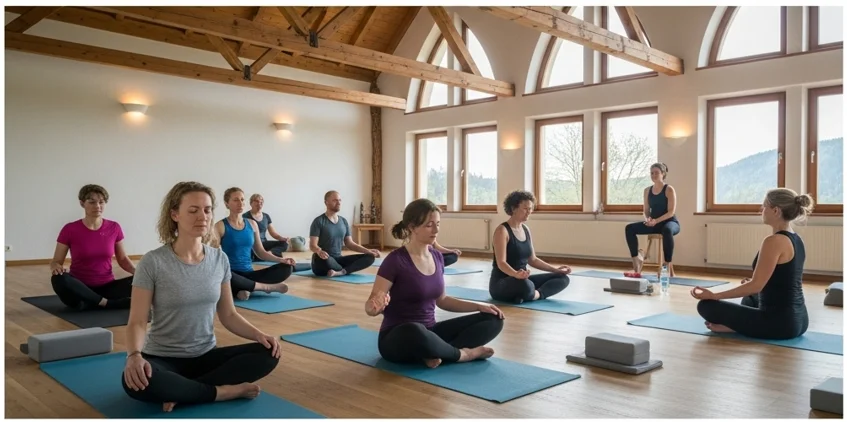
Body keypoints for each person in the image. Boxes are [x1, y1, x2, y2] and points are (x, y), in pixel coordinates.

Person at [122, 181, 280, 412]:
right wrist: (134, 355)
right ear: (175, 214)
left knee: (269, 353)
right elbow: (137, 320)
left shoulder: (219, 259)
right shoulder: (153, 262)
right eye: (193, 210)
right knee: (135, 382)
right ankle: (224, 392)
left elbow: (228, 314)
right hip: (163, 359)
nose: (203, 217)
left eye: (207, 210)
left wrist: (260, 335)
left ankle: (186, 392)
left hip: (206, 357)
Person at [365, 198, 505, 369]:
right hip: (399, 338)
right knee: (414, 329)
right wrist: (374, 307)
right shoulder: (395, 260)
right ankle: (462, 355)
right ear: (411, 227)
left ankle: (434, 353)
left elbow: (443, 300)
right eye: (429, 225)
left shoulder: (437, 257)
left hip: (431, 333)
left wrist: (478, 306)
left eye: (438, 224)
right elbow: (372, 304)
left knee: (494, 319)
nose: (436, 230)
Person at [692, 188, 813, 340]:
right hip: (800, 320)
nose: (761, 209)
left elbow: (756, 286)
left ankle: (734, 327)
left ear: (775, 211)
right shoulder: (796, 239)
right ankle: (737, 326)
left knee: (706, 306)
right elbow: (783, 279)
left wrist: (714, 295)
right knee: (750, 299)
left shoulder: (773, 241)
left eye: (765, 206)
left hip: (780, 324)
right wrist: (752, 285)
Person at [49, 184, 135, 310]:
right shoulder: (70, 229)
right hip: (79, 288)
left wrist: (139, 274)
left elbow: (122, 259)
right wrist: (56, 267)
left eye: (101, 202)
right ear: (82, 203)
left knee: (145, 280)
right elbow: (56, 262)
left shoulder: (114, 227)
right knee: (58, 279)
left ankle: (93, 302)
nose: (98, 206)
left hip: (107, 288)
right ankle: (107, 304)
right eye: (92, 202)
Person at [214, 188, 297, 300]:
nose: (240, 203)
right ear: (226, 203)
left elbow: (261, 253)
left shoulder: (252, 224)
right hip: (231, 274)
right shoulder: (220, 226)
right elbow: (213, 255)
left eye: (242, 199)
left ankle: (245, 288)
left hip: (250, 274)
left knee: (286, 268)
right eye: (236, 200)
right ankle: (265, 288)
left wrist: (281, 260)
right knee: (224, 275)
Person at [490, 190, 571, 304]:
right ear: (513, 208)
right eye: (525, 209)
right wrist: (515, 274)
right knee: (526, 285)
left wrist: (556, 270)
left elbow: (532, 259)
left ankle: (534, 295)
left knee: (562, 278)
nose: (529, 212)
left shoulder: (526, 229)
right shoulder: (502, 231)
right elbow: (501, 263)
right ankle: (530, 293)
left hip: (522, 279)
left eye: (530, 209)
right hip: (502, 283)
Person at [624, 163, 680, 276]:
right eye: (651, 173)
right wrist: (648, 219)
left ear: (663, 174)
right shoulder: (647, 191)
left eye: (656, 173)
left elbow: (671, 212)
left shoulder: (669, 189)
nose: (653, 175)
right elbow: (646, 210)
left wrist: (656, 221)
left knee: (667, 230)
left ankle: (667, 264)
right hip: (654, 223)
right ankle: (636, 259)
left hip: (670, 222)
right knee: (629, 228)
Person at [309, 190, 379, 277]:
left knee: (370, 257)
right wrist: (319, 251)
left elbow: (350, 244)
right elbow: (312, 245)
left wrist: (368, 251)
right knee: (324, 259)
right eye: (335, 200)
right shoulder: (318, 221)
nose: (338, 203)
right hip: (323, 261)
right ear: (326, 202)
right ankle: (343, 269)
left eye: (339, 200)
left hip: (338, 259)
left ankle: (341, 271)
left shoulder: (343, 221)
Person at [242, 194, 290, 259]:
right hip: (252, 245)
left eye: (261, 202)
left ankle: (269, 254)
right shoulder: (245, 216)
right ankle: (262, 256)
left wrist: (283, 239)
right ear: (251, 203)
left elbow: (273, 233)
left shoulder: (266, 216)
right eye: (256, 201)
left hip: (264, 244)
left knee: (284, 244)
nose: (259, 203)